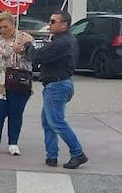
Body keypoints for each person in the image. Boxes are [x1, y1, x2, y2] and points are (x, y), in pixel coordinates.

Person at [32, 10, 87, 169]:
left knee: (56, 122)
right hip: (56, 84)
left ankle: (78, 153)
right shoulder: (63, 40)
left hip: (57, 85)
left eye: (53, 21)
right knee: (48, 121)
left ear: (64, 25)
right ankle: (52, 156)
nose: (49, 24)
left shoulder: (62, 43)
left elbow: (37, 57)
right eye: (50, 21)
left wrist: (28, 45)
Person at [0, 10, 34, 155]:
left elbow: (32, 58)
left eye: (5, 26)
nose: (3, 30)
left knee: (15, 113)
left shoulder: (24, 38)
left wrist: (21, 51)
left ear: (13, 24)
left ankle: (13, 143)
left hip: (18, 82)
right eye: (0, 28)